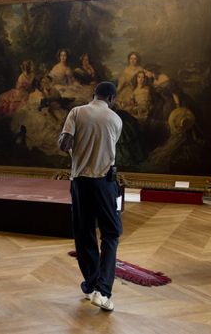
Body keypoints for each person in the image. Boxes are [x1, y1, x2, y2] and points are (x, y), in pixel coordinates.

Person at [58, 81, 123, 312]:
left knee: (84, 232)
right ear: (112, 99)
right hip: (105, 183)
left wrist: (76, 144)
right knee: (111, 233)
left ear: (93, 94)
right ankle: (103, 292)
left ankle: (91, 284)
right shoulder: (116, 119)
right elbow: (109, 147)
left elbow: (63, 145)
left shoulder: (77, 112)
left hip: (80, 182)